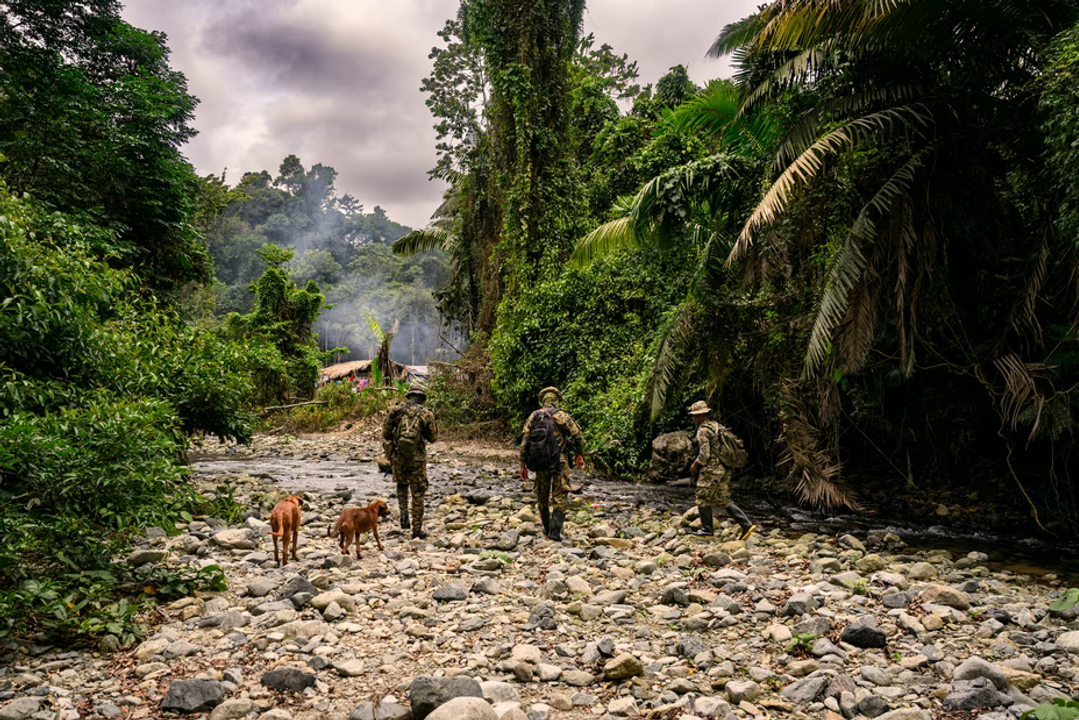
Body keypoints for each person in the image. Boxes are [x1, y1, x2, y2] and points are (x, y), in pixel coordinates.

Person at [519, 387, 584, 542]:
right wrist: (578, 454)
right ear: (556, 401)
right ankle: (554, 533)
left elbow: (524, 442)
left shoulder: (533, 416)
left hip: (540, 462)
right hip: (559, 463)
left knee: (542, 496)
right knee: (560, 496)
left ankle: (546, 529)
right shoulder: (563, 416)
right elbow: (578, 437)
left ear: (544, 401)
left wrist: (522, 464)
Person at [688, 400, 757, 541]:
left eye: (695, 416)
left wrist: (695, 465)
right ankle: (746, 525)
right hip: (725, 467)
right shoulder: (717, 426)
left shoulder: (703, 430)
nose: (693, 419)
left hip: (712, 469)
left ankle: (707, 529)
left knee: (702, 497)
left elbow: (704, 454)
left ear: (701, 415)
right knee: (723, 498)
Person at [382, 385, 438, 539]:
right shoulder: (427, 414)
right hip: (417, 458)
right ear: (422, 398)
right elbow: (433, 438)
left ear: (409, 396)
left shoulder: (396, 411)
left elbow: (385, 433)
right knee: (418, 492)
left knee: (402, 485)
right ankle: (417, 530)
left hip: (398, 456)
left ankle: (404, 516)